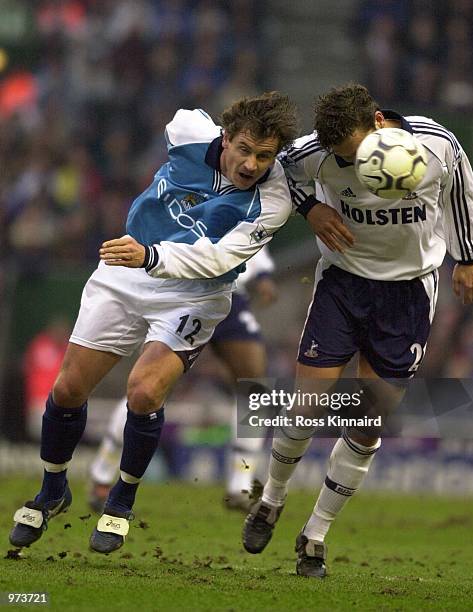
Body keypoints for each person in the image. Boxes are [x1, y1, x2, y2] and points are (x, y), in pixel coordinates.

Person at [9, 91, 298, 554]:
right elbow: (182, 117)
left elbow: (218, 257)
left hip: (194, 294)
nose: (250, 164)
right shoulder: (188, 132)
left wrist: (151, 254)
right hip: (124, 273)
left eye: (264, 156)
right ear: (225, 138)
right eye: (244, 149)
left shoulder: (273, 200)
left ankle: (122, 500)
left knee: (145, 391)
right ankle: (52, 489)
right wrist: (142, 251)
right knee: (66, 391)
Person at [242, 83, 473, 578]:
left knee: (367, 420)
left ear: (378, 123)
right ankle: (270, 499)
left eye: (354, 154)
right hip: (344, 284)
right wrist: (312, 207)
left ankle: (314, 535)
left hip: (408, 293)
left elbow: (460, 188)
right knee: (308, 403)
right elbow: (277, 172)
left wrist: (469, 257)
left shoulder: (436, 144)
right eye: (341, 158)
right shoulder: (314, 154)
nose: (349, 163)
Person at [87, 246, 277, 513]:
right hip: (184, 292)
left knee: (256, 388)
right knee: (149, 388)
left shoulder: (251, 204)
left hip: (231, 293)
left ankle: (240, 485)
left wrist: (261, 276)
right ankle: (103, 474)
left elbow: (251, 232)